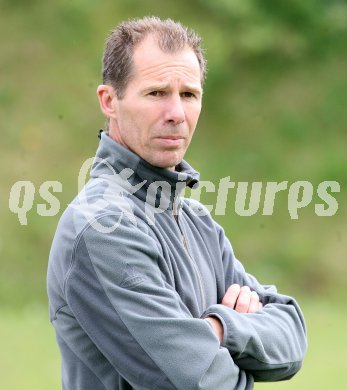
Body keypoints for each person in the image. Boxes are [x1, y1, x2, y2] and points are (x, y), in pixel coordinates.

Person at [47, 16, 307, 390]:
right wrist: (240, 336)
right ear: (110, 101)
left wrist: (218, 328)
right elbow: (199, 383)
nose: (176, 114)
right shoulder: (102, 228)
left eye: (189, 94)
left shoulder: (197, 221)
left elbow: (293, 336)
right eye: (155, 93)